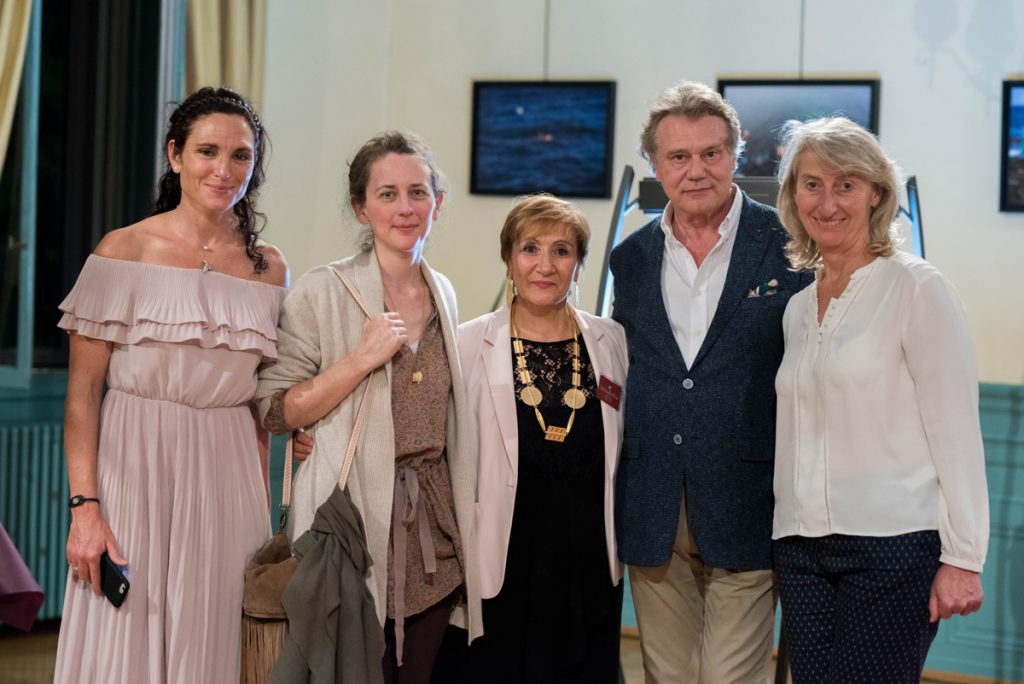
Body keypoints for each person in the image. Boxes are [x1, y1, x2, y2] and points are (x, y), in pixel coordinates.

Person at [54, 86, 301, 682]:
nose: (224, 169)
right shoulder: (124, 249)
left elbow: (266, 396)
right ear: (175, 156)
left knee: (215, 641)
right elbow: (84, 396)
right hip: (132, 464)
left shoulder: (270, 268)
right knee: (125, 638)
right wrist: (84, 509)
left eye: (241, 155)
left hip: (231, 475)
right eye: (208, 151)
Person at [254, 131, 481, 683]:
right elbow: (275, 410)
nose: (405, 208)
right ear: (361, 207)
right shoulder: (321, 291)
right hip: (354, 526)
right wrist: (360, 359)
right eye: (387, 194)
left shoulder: (444, 292)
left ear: (438, 203)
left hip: (434, 532)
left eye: (417, 192)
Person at [609, 80, 813, 683]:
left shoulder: (790, 247)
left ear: (737, 153)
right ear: (654, 164)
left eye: (711, 153)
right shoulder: (633, 257)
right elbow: (621, 368)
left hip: (748, 504)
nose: (695, 170)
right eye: (678, 156)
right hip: (652, 507)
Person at [771, 116, 988, 683]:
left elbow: (957, 431)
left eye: (846, 184)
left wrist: (964, 556)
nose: (828, 202)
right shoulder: (797, 308)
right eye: (812, 184)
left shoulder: (917, 288)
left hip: (893, 549)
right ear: (793, 194)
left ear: (877, 194)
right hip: (800, 549)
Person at [457, 194, 628, 683]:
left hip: (589, 554)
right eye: (530, 248)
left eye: (562, 250)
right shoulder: (469, 342)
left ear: (579, 264)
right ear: (509, 259)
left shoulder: (609, 340)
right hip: (507, 551)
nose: (545, 265)